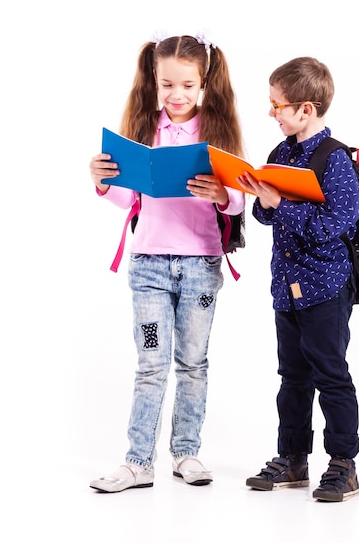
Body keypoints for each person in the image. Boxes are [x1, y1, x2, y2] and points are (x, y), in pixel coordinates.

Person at [88, 33, 245, 493]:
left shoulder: (218, 131)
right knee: (151, 363)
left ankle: (186, 452)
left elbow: (238, 200)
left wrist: (222, 195)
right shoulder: (143, 127)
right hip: (149, 267)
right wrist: (102, 182)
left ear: (205, 83)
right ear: (154, 82)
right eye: (167, 85)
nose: (177, 95)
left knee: (193, 362)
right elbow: (126, 197)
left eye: (188, 85)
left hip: (200, 267)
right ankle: (138, 462)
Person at [237, 56, 359, 502]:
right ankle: (292, 459)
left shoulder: (335, 159)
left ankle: (344, 465)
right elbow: (264, 215)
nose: (272, 113)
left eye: (278, 106)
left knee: (331, 374)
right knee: (292, 376)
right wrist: (261, 197)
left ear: (305, 109)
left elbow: (339, 222)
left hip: (325, 288)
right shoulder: (281, 153)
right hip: (285, 288)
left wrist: (280, 204)